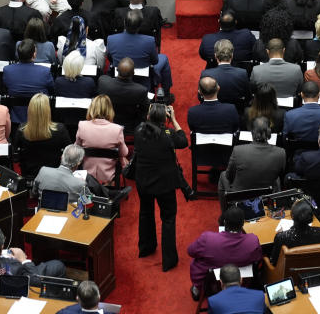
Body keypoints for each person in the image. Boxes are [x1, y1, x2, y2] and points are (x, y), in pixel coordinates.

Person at [134, 103, 188, 271]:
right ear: (165, 119)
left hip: (144, 181)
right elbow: (184, 141)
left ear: (148, 117)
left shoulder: (138, 131)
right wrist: (174, 118)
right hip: (165, 184)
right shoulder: (169, 134)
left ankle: (146, 248)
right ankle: (169, 260)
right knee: (168, 219)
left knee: (145, 213)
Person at [187, 206, 262, 300]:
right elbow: (258, 257)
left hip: (212, 281)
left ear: (225, 222)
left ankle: (197, 289)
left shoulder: (207, 239)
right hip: (243, 282)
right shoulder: (253, 240)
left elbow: (190, 251)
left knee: (197, 259)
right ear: (243, 223)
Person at [0, 226, 64, 279]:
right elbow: (35, 279)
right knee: (58, 265)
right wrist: (24, 260)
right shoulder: (15, 266)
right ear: (1, 246)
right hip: (20, 278)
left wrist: (3, 254)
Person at [219, 116, 285, 196]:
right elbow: (281, 175)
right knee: (277, 179)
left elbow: (229, 176)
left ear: (252, 132)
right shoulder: (281, 152)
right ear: (269, 132)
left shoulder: (238, 150)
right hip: (267, 196)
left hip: (241, 197)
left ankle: (228, 208)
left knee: (223, 175)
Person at [76, 94, 128, 185]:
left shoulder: (82, 125)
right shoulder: (117, 129)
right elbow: (124, 153)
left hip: (86, 174)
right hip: (108, 175)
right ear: (110, 110)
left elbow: (76, 149)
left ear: (91, 108)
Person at [16, 93, 71, 176]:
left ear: (30, 110)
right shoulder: (60, 129)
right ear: (48, 110)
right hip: (54, 173)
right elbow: (69, 152)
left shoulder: (21, 130)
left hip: (29, 172)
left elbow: (16, 152)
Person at [268, 198, 320, 264]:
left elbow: (274, 261)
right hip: (314, 267)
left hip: (289, 271)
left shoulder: (281, 237)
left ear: (292, 216)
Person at [96, 57, 147, 134]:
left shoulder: (103, 82)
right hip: (130, 125)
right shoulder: (141, 90)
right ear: (133, 73)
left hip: (107, 121)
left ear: (116, 70)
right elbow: (144, 110)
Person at [201, 40, 250, 105]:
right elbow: (248, 97)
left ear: (215, 56)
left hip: (214, 109)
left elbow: (201, 97)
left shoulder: (206, 74)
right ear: (232, 55)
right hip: (237, 110)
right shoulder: (242, 73)